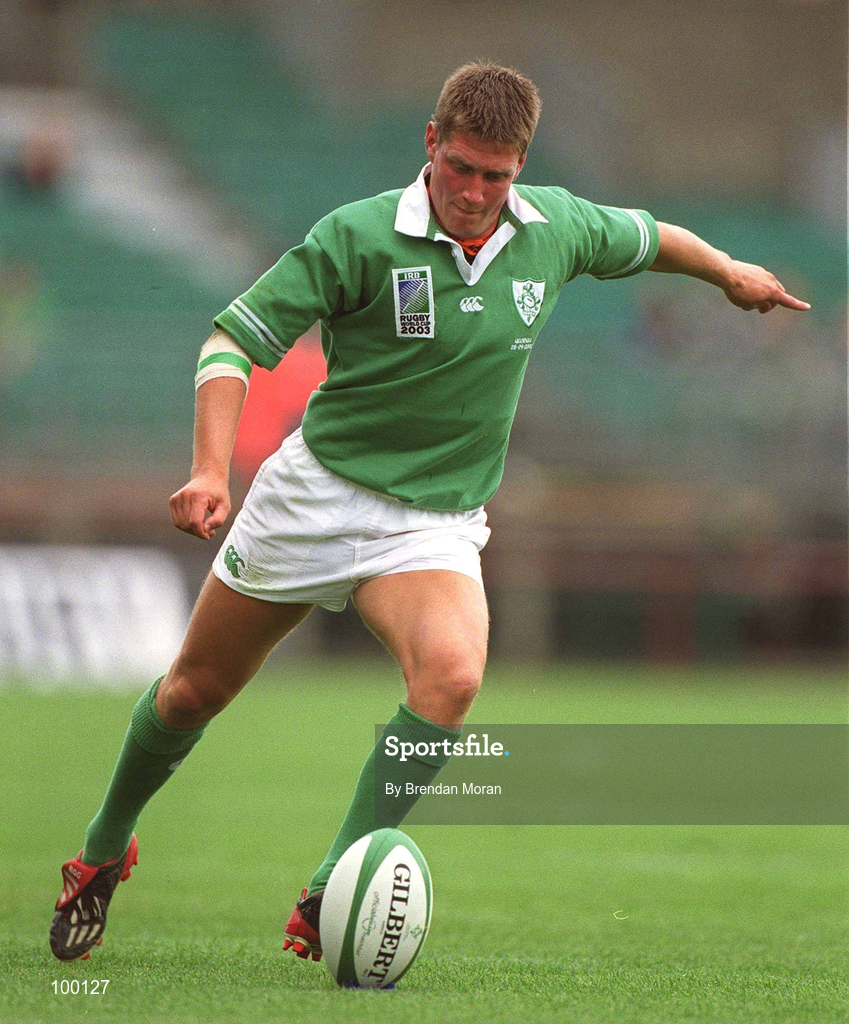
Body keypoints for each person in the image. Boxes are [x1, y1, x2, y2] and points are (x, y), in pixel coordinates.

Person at [49, 61, 809, 963]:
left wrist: (726, 274)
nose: (477, 193)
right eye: (461, 168)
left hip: (433, 524)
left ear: (520, 166)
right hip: (313, 499)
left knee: (449, 680)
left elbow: (652, 238)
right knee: (193, 691)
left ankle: (333, 883)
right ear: (430, 145)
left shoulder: (554, 226)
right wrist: (211, 470)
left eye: (498, 175)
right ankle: (102, 848)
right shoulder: (358, 236)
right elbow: (231, 341)